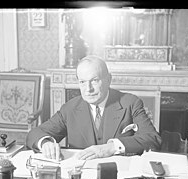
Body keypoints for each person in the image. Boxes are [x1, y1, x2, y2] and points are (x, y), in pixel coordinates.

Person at [25, 55, 161, 160]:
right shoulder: (70, 108)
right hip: (81, 176)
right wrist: (46, 143)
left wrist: (112, 147)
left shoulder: (130, 103)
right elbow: (35, 134)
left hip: (119, 176)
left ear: (108, 79)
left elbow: (152, 139)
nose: (88, 89)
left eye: (94, 81)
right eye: (82, 82)